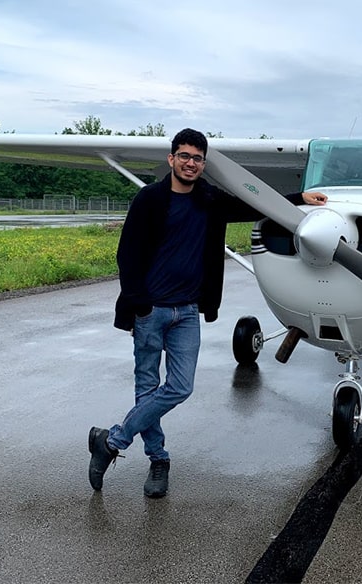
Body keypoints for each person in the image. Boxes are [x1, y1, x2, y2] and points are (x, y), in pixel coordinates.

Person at [88, 128, 327, 498]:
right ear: (171, 159)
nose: (190, 163)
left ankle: (111, 441)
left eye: (197, 158)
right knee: (147, 388)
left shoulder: (209, 200)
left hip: (186, 312)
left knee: (180, 387)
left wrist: (298, 199)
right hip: (150, 311)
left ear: (203, 163)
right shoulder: (149, 199)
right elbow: (128, 254)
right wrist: (140, 303)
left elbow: (252, 204)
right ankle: (158, 459)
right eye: (184, 156)